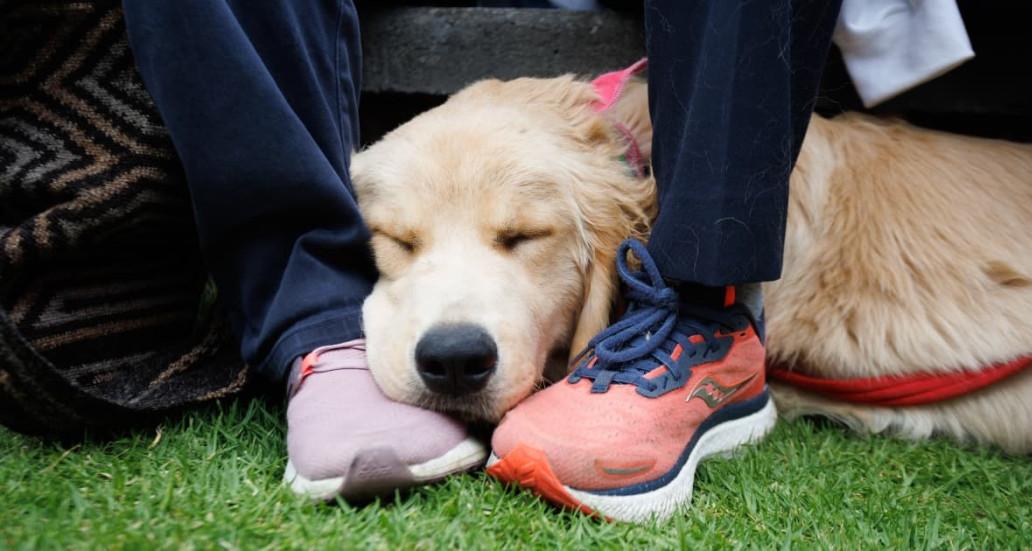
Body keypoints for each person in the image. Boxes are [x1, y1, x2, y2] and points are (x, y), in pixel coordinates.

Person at [122, 0, 840, 511]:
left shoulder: (599, 209)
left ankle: (701, 317)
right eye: (399, 240)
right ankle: (316, 326)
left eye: (519, 236)